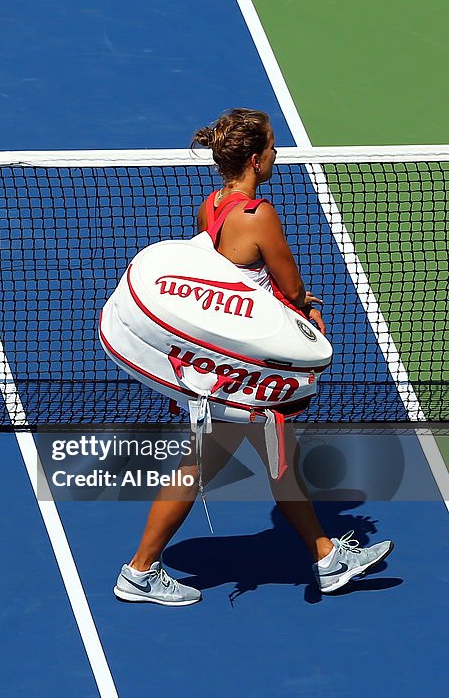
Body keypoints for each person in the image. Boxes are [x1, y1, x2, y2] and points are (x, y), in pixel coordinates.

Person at [113, 109, 393, 606]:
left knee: (268, 465)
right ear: (255, 156)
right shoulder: (257, 213)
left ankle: (326, 559)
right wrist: (305, 311)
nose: (277, 153)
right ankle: (139, 573)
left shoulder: (213, 205)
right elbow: (289, 283)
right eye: (271, 145)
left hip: (224, 370)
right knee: (225, 466)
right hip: (245, 376)